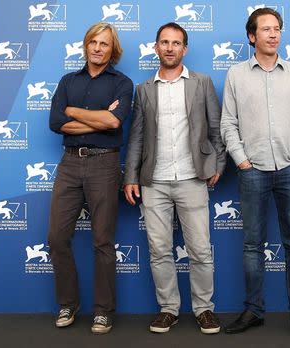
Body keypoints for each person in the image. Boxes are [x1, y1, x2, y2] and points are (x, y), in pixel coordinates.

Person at [220, 8, 290, 342]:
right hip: (252, 171)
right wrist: (242, 161)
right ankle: (253, 310)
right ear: (252, 36)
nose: (273, 34)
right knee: (252, 245)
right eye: (265, 29)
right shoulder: (236, 75)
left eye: (277, 28)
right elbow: (228, 123)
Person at [123, 22, 225, 334]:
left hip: (193, 178)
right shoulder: (144, 90)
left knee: (200, 250)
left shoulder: (202, 82)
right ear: (156, 48)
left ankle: (204, 309)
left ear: (185, 48)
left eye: (176, 43)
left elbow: (215, 127)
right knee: (159, 250)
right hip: (154, 182)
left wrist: (218, 165)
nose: (170, 48)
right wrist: (131, 177)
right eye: (165, 42)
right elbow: (136, 138)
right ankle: (168, 309)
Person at [48, 22, 133, 334]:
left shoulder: (122, 83)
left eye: (105, 44)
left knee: (102, 241)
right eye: (94, 43)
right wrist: (93, 117)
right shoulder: (68, 81)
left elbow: (114, 121)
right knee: (57, 238)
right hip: (69, 164)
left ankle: (103, 310)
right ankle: (68, 304)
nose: (98, 48)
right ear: (86, 46)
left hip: (104, 165)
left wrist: (75, 112)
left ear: (113, 50)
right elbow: (56, 122)